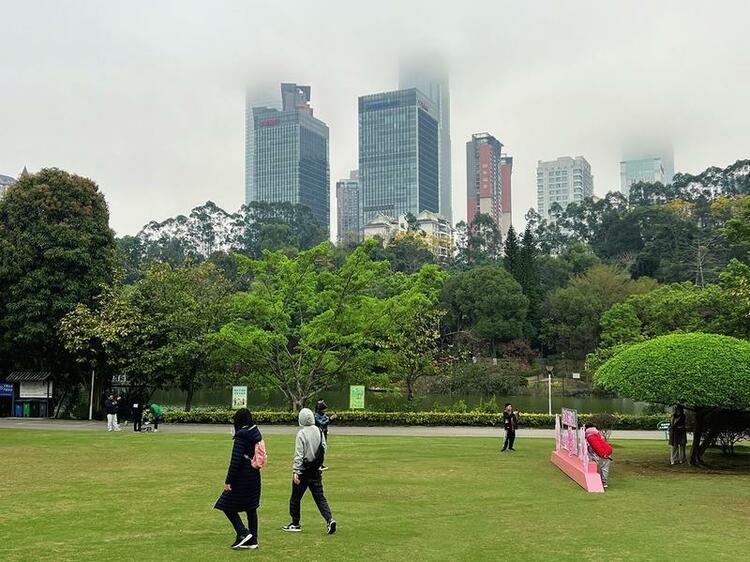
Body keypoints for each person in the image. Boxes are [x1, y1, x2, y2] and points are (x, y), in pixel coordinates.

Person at [214, 408, 264, 550]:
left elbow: (235, 461)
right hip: (254, 474)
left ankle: (243, 532)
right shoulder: (255, 434)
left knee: (225, 504)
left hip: (243, 475)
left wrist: (229, 481)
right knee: (251, 507)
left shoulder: (241, 436)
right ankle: (253, 539)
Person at [282, 408, 336, 535]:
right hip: (316, 470)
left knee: (295, 498)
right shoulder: (319, 431)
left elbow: (298, 455)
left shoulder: (301, 433)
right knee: (320, 497)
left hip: (303, 471)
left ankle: (295, 523)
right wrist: (319, 464)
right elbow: (323, 448)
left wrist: (296, 471)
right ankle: (329, 519)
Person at [585, 422, 613, 489]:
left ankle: (603, 483)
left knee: (604, 467)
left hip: (605, 453)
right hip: (606, 451)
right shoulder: (595, 433)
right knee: (603, 467)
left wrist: (603, 454)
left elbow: (597, 446)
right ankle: (603, 481)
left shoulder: (590, 436)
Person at [314, 399, 337, 470]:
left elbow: (327, 421)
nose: (324, 411)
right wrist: (330, 419)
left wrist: (332, 419)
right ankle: (317, 465)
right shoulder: (316, 416)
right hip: (318, 434)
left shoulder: (323, 415)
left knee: (323, 449)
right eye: (323, 409)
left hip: (324, 433)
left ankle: (321, 464)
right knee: (319, 449)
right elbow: (322, 423)